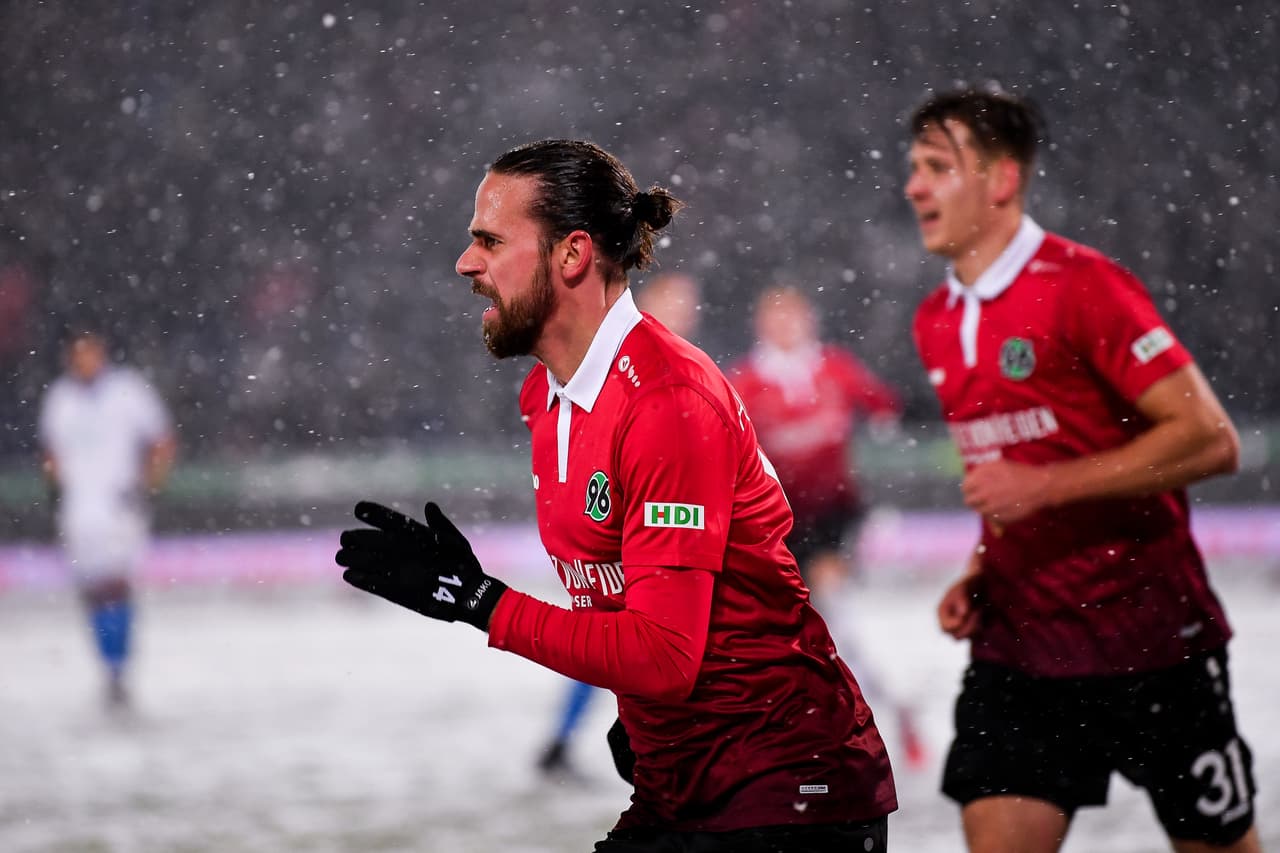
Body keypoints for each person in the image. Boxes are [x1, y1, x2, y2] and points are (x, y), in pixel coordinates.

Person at [337, 139, 897, 851]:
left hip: (786, 793)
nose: (466, 263)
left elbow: (664, 653)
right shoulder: (546, 397)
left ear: (572, 255)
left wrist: (481, 601)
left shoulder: (669, 400)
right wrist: (642, 725)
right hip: (683, 788)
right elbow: (628, 603)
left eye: (488, 240)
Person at [905, 86, 1259, 852]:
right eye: (913, 167)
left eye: (936, 166)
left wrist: (1044, 488)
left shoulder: (1084, 285)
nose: (914, 186)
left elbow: (1209, 438)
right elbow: (1015, 468)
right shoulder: (934, 320)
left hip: (1156, 640)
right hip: (1022, 650)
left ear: (1001, 180)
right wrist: (982, 564)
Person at [728, 285, 926, 771]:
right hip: (777, 519)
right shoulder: (746, 382)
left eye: (793, 316)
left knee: (832, 611)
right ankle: (852, 713)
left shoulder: (835, 368)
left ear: (809, 320)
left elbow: (887, 407)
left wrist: (897, 422)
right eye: (776, 318)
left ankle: (875, 715)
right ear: (761, 326)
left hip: (834, 516)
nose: (786, 327)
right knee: (796, 629)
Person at [537, 270, 705, 779]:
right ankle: (572, 742)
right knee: (614, 641)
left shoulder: (689, 373)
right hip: (627, 537)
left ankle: (583, 743)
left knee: (617, 644)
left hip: (658, 535)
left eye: (688, 305)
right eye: (673, 304)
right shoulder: (620, 372)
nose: (682, 314)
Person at [38, 330, 176, 708]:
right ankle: (108, 664)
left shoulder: (128, 392)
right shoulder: (60, 399)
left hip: (119, 504)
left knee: (116, 585)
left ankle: (119, 666)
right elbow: (51, 453)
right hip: (78, 510)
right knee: (92, 592)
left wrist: (149, 486)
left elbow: (161, 441)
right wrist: (56, 492)